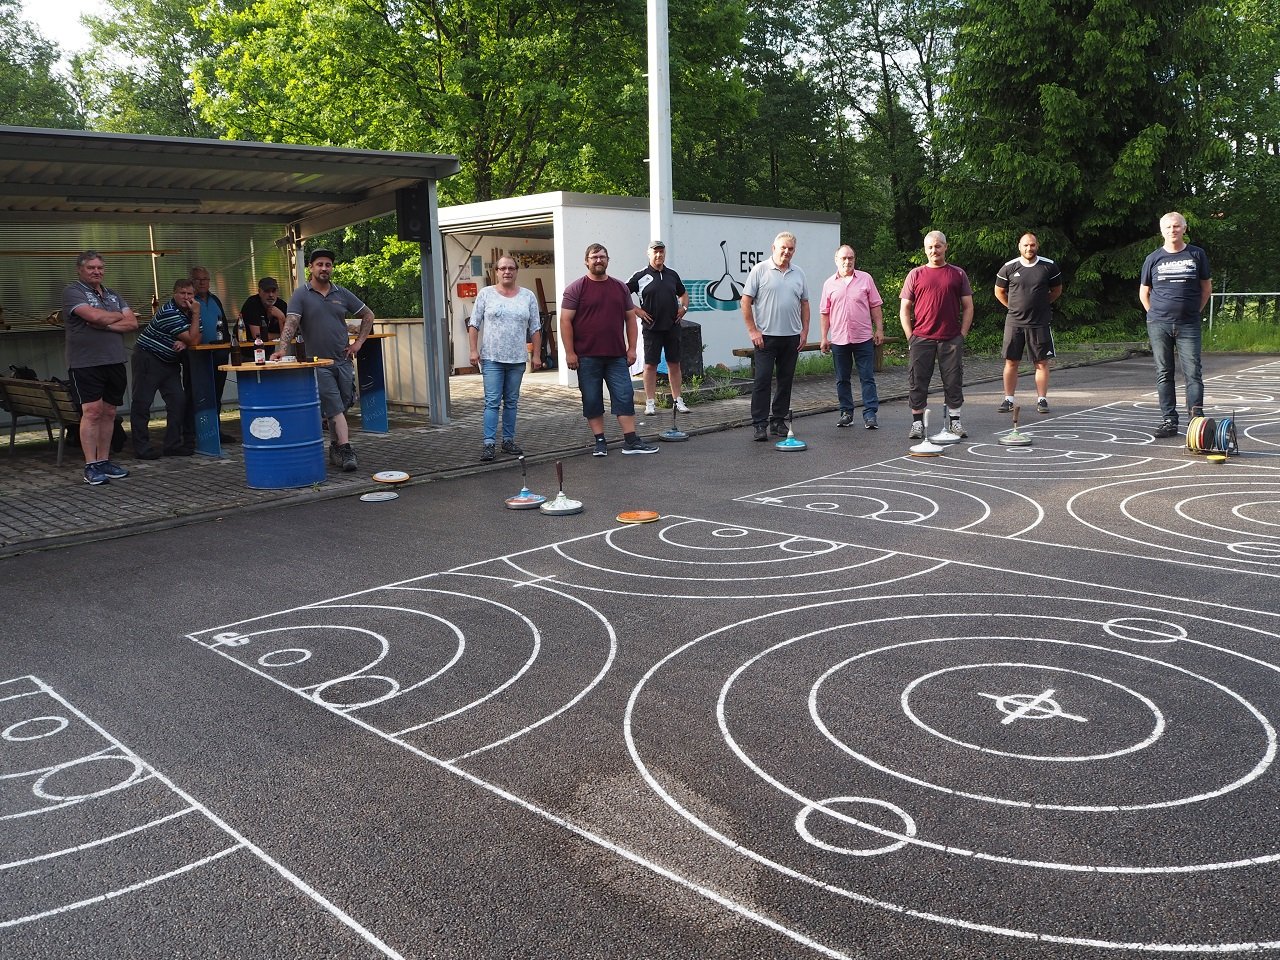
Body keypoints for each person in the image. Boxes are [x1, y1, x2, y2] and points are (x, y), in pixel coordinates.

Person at [274, 248, 375, 472]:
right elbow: (291, 323)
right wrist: (282, 348)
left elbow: (368, 315)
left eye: (328, 265)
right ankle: (347, 449)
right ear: (311, 267)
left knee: (343, 403)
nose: (324, 268)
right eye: (319, 264)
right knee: (334, 405)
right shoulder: (301, 294)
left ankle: (334, 447)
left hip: (343, 360)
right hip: (318, 363)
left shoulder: (341, 293)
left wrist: (358, 343)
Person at [558, 243, 658, 457]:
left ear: (607, 260)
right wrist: (569, 352)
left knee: (624, 395)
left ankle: (631, 441)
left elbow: (630, 318)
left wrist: (632, 349)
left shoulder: (620, 287)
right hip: (586, 356)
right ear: (586, 261)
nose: (598, 260)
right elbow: (565, 321)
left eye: (602, 257)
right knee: (592, 399)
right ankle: (600, 441)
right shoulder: (576, 288)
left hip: (616, 356)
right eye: (594, 257)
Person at [61, 250, 138, 485]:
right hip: (86, 362)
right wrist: (115, 317)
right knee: (92, 411)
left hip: (114, 360)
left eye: (100, 268)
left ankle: (104, 460)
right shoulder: (73, 291)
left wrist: (105, 323)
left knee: (110, 413)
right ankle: (91, 465)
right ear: (80, 269)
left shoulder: (113, 294)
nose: (97, 272)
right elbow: (93, 315)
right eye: (91, 268)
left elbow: (132, 322)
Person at [1139, 211, 1212, 438]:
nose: (1173, 230)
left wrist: (1193, 312)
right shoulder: (1153, 258)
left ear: (1184, 228)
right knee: (1164, 373)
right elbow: (1144, 293)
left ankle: (1196, 422)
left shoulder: (1197, 255)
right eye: (1169, 227)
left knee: (1193, 373)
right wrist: (1155, 315)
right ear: (1162, 231)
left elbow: (1206, 288)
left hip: (1188, 324)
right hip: (1159, 324)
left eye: (1177, 226)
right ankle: (1169, 421)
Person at [467, 255, 543, 461]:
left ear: (516, 271)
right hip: (492, 357)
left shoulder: (527, 296)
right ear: (496, 271)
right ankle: (489, 443)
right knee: (492, 402)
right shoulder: (486, 294)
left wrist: (536, 355)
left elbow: (535, 328)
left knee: (511, 402)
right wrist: (474, 351)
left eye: (511, 268)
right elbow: (474, 324)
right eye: (503, 268)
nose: (507, 271)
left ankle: (508, 441)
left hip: (517, 359)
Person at [899, 231, 974, 439]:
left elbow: (968, 306)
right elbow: (904, 308)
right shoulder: (915, 274)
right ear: (925, 250)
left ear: (945, 247)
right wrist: (910, 337)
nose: (934, 250)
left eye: (938, 246)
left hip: (951, 338)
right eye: (930, 247)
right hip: (921, 338)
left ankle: (955, 422)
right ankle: (917, 424)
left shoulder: (958, 274)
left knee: (953, 380)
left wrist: (962, 334)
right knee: (917, 381)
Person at [741, 231, 810, 441]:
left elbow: (805, 304)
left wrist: (804, 332)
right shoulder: (760, 270)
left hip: (791, 337)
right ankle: (759, 424)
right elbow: (745, 301)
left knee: (785, 380)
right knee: (762, 380)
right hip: (766, 338)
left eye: (790, 249)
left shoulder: (799, 273)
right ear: (774, 248)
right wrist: (753, 330)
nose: (786, 252)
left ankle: (778, 421)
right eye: (783, 248)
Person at [130, 278, 201, 459]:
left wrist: (185, 342)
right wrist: (190, 335)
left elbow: (197, 337)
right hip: (148, 356)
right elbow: (193, 338)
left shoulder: (191, 312)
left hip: (169, 361)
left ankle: (172, 445)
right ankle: (141, 448)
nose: (186, 297)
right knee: (142, 403)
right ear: (174, 294)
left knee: (178, 401)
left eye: (190, 294)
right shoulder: (169, 311)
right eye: (182, 293)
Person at [995, 233, 1063, 415]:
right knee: (1011, 362)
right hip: (1014, 322)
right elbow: (999, 291)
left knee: (1041, 363)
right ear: (1019, 246)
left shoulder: (1048, 266)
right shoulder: (1009, 267)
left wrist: (1042, 304)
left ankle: (1042, 400)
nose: (1029, 248)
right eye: (1025, 245)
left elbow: (1056, 290)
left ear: (1037, 246)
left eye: (1032, 245)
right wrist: (1013, 307)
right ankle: (1008, 399)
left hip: (1039, 322)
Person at [819, 244, 884, 430]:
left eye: (851, 258)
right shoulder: (829, 283)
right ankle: (846, 413)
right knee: (842, 378)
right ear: (836, 260)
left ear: (855, 259)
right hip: (839, 339)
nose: (847, 261)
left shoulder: (866, 279)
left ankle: (870, 413)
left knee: (867, 377)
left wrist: (879, 329)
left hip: (863, 337)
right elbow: (825, 312)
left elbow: (875, 306)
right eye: (844, 258)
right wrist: (824, 337)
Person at [627, 239, 690, 415]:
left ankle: (678, 400)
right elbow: (622, 294)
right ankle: (650, 403)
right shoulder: (640, 276)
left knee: (674, 364)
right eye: (655, 251)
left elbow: (683, 293)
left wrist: (683, 308)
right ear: (648, 254)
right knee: (650, 365)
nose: (658, 255)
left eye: (661, 251)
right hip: (651, 328)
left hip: (672, 326)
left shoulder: (672, 275)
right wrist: (637, 310)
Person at [240, 277, 286, 341]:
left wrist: (281, 317)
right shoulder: (252, 304)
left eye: (273, 291)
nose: (271, 295)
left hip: (270, 346)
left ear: (277, 292)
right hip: (249, 346)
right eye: (267, 291)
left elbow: (289, 334)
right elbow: (257, 336)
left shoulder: (281, 305)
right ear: (259, 292)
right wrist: (280, 335)